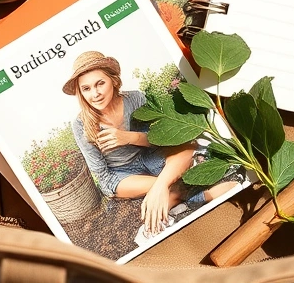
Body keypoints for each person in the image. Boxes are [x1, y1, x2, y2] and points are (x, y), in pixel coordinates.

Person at [64, 51, 237, 235]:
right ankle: (185, 193)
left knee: (187, 146)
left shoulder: (135, 99)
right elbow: (105, 179)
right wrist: (163, 183)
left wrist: (128, 137)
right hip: (122, 175)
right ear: (80, 93)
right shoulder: (81, 124)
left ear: (113, 80)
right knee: (177, 179)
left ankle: (170, 192)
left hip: (148, 155)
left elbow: (160, 140)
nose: (95, 94)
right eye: (86, 88)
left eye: (100, 83)